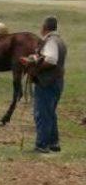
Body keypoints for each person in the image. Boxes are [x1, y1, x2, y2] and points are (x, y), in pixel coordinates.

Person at [21, 16, 67, 153]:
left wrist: (34, 66)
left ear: (45, 27)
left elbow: (51, 60)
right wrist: (35, 59)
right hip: (56, 81)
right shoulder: (59, 41)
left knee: (42, 113)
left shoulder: (51, 41)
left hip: (47, 82)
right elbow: (49, 58)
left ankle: (41, 145)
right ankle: (54, 143)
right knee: (50, 113)